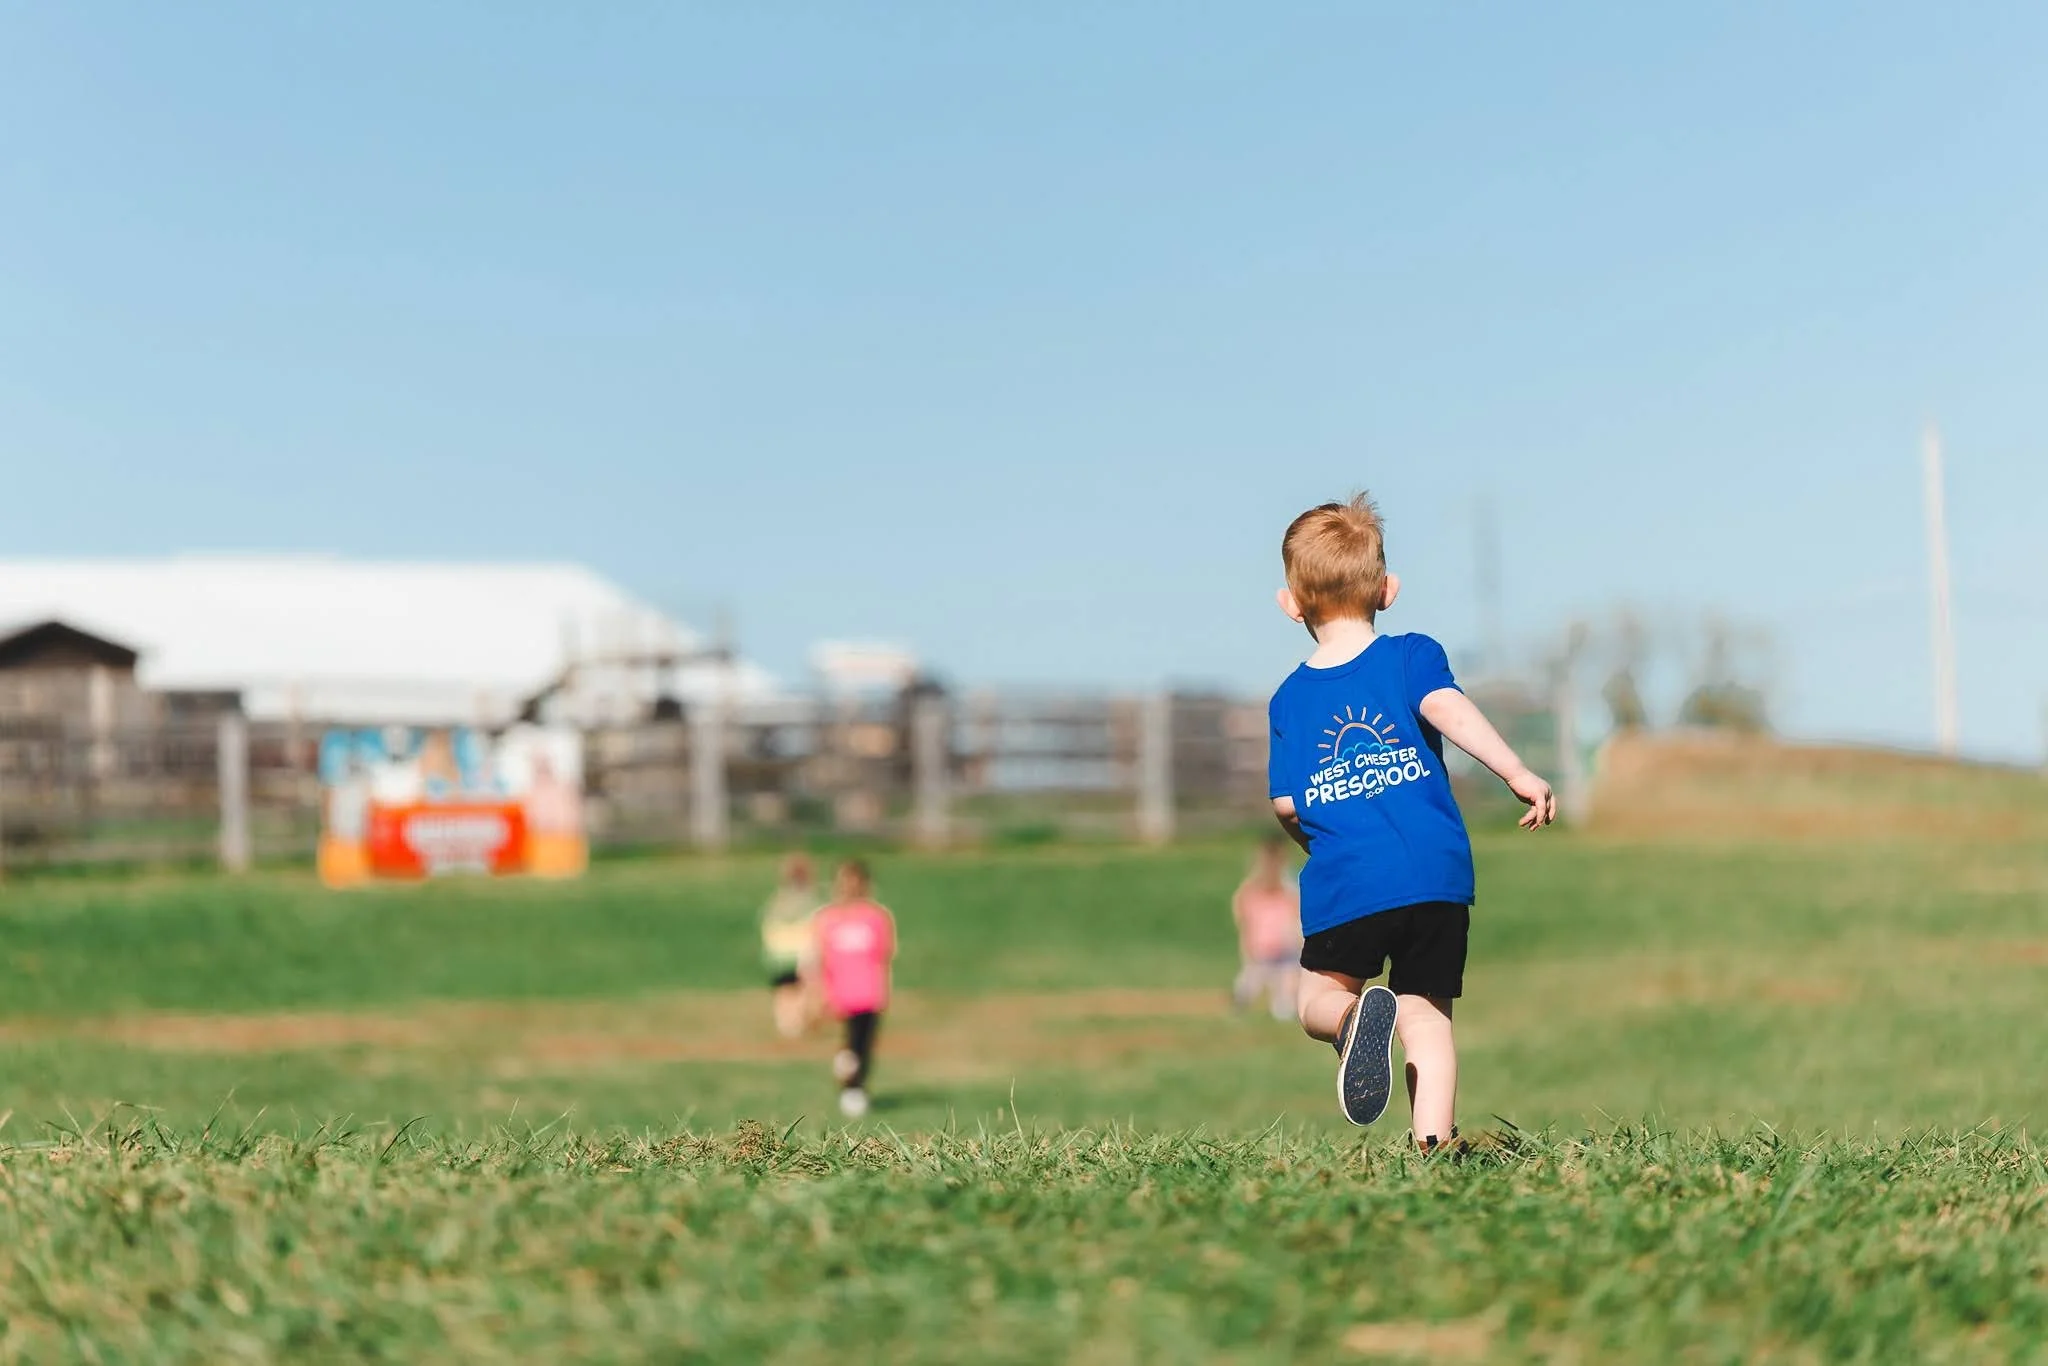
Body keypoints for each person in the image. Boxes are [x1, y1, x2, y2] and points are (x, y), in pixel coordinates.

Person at [1266, 493, 1556, 1151]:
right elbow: (1452, 712)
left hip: (1349, 879)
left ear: (1291, 603)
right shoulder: (1412, 657)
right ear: (1387, 590)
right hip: (1435, 875)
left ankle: (1346, 1024)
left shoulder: (1290, 700)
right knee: (1426, 1016)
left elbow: (1287, 805)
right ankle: (1432, 1148)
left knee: (1316, 991)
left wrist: (1316, 842)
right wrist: (1516, 772)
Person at [809, 859, 898, 1119]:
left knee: (864, 1041)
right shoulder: (827, 918)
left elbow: (885, 954)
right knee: (850, 1041)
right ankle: (852, 1086)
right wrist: (816, 991)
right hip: (839, 991)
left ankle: (855, 1087)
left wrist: (886, 988)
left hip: (868, 990)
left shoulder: (876, 917)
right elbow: (818, 956)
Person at [1231, 835, 1302, 1020]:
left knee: (1284, 1005)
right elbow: (1243, 916)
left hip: (1286, 954)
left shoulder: (1289, 887)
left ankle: (1284, 1001)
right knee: (1248, 987)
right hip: (1261, 954)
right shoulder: (1252, 889)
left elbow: (1296, 917)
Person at [760, 855, 824, 1039]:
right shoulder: (808, 900)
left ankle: (789, 1026)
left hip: (780, 953)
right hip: (798, 953)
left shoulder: (777, 901)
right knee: (800, 991)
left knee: (786, 993)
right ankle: (795, 1026)